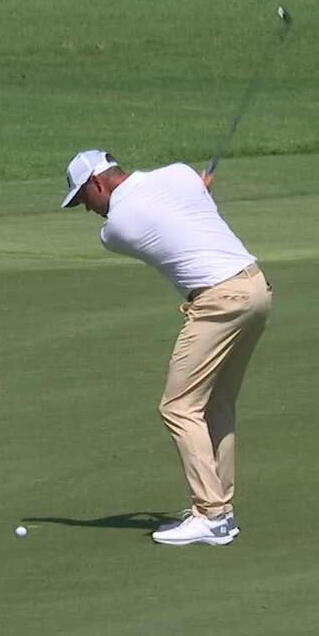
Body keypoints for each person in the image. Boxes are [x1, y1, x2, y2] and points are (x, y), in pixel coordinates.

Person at [61, 149, 272, 546]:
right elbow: (181, 202)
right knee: (216, 405)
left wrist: (198, 193)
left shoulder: (115, 230)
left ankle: (209, 515)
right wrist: (199, 191)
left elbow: (158, 215)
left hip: (219, 301)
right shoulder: (179, 175)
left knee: (179, 406)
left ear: (97, 184)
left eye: (83, 200)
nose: (87, 210)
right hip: (256, 288)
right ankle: (221, 511)